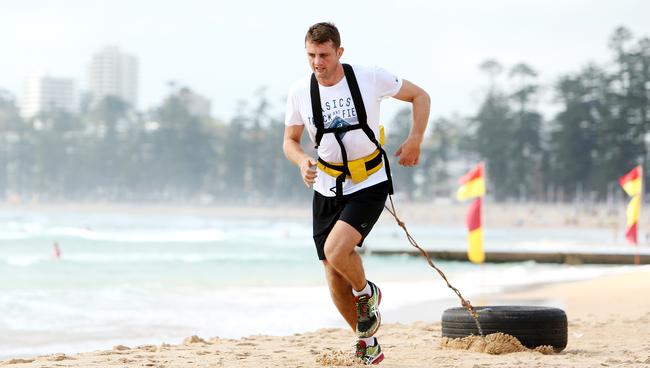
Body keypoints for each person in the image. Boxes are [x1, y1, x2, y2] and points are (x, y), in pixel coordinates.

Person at [283, 22, 430, 365]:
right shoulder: (300, 91)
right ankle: (367, 342)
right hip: (325, 185)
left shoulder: (369, 77)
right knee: (332, 272)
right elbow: (289, 141)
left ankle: (367, 291)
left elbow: (420, 96)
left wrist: (415, 139)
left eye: (323, 55)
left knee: (337, 251)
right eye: (311, 55)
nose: (317, 63)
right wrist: (302, 160)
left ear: (339, 52)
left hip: (368, 182)